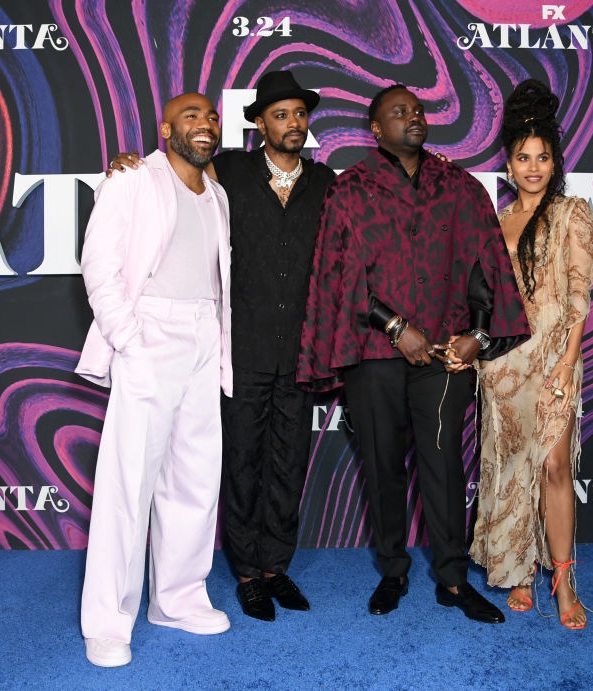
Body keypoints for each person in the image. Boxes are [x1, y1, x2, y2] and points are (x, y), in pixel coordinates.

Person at [296, 84, 530, 623]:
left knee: (443, 464)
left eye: (418, 109)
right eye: (400, 112)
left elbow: (484, 267)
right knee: (382, 466)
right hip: (374, 354)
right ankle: (393, 571)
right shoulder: (350, 190)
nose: (414, 117)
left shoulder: (459, 186)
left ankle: (453, 580)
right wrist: (396, 326)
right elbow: (338, 275)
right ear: (377, 129)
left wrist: (477, 333)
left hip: (444, 354)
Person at [108, 70, 335, 622]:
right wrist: (127, 163)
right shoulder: (227, 170)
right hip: (239, 349)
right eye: (280, 115)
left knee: (289, 463)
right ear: (259, 124)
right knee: (241, 463)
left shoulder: (327, 182)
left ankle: (276, 567)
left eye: (299, 114)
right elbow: (174, 169)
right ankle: (248, 575)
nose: (292, 123)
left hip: (300, 350)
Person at [75, 92, 232, 668]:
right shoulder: (133, 179)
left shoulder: (217, 193)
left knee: (195, 476)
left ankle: (178, 600)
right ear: (166, 129)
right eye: (191, 116)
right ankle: (107, 623)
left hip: (204, 334)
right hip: (150, 334)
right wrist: (128, 336)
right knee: (128, 483)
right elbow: (99, 262)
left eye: (211, 116)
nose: (205, 123)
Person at [468, 79, 593, 630]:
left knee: (553, 465)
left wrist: (567, 362)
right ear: (509, 165)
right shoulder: (497, 223)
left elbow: (578, 295)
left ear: (555, 162)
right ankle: (519, 568)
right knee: (513, 466)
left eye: (543, 157)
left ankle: (564, 580)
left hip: (553, 360)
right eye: (524, 158)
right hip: (505, 365)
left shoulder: (572, 213)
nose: (533, 167)